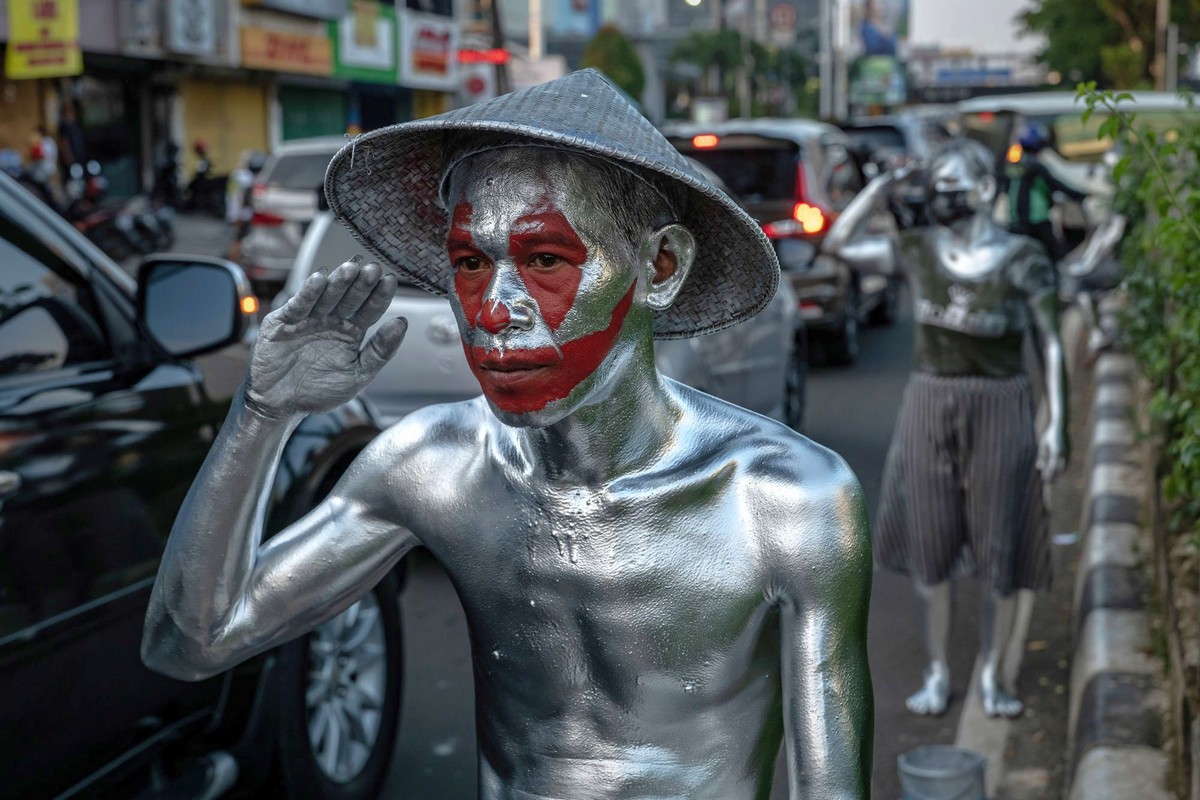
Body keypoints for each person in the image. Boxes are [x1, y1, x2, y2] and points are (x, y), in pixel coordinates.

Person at [141, 70, 873, 799]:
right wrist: (263, 414)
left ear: (659, 266)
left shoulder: (784, 501)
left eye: (546, 259)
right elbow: (189, 645)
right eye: (469, 263)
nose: (494, 309)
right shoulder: (434, 466)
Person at [823, 138, 1067, 719]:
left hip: (1001, 405)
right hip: (930, 402)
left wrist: (1059, 421)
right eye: (935, 187)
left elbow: (1051, 342)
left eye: (952, 186)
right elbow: (839, 244)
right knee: (930, 547)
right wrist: (878, 189)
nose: (941, 197)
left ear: (985, 191)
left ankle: (992, 673)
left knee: (998, 548)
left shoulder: (1023, 258)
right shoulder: (917, 250)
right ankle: (937, 671)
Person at [1005, 122, 1088, 263]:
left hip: (1016, 220)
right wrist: (1082, 195)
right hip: (1037, 219)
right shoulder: (1036, 167)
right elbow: (1056, 185)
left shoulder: (1013, 166)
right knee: (1057, 254)